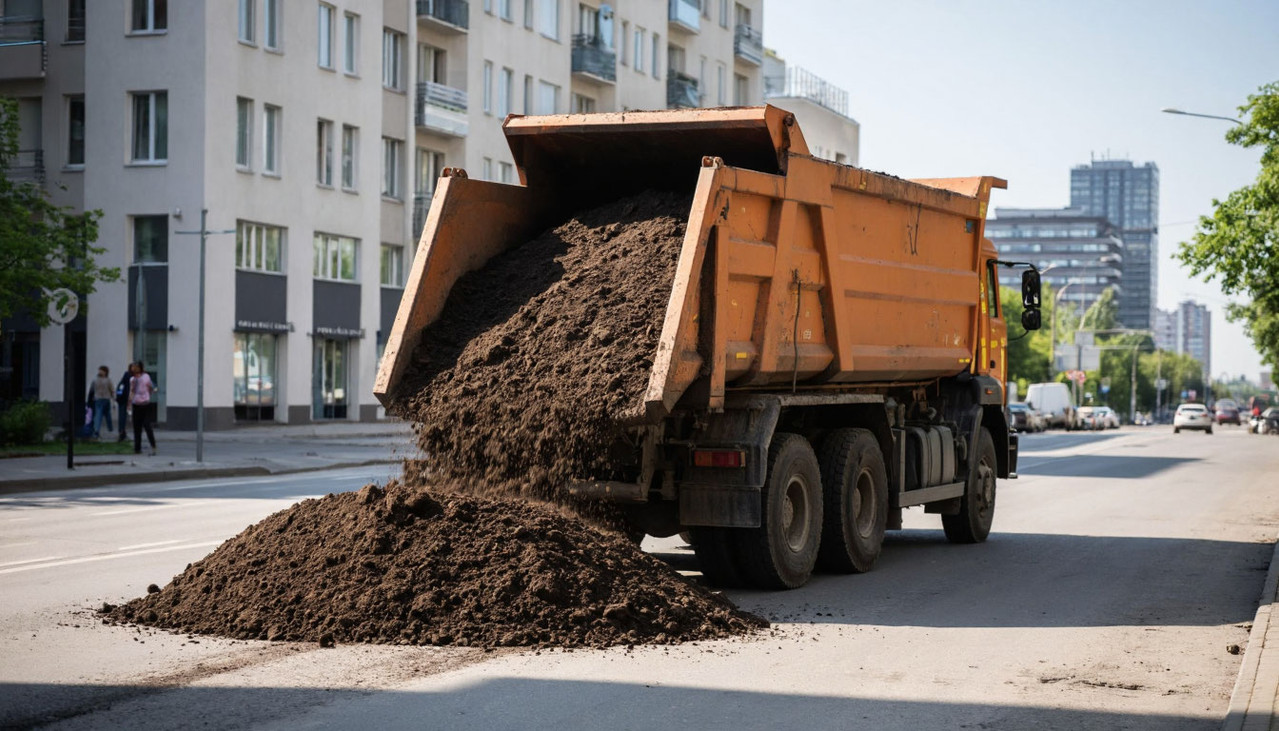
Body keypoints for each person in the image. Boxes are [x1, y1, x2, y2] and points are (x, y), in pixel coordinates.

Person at [128, 361, 157, 456]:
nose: (133, 368)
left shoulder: (145, 377)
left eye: (135, 367)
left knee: (147, 425)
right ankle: (137, 448)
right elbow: (132, 391)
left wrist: (149, 393)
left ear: (140, 368)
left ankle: (153, 446)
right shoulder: (132, 379)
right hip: (136, 404)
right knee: (137, 427)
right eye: (132, 367)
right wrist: (129, 402)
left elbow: (151, 387)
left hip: (145, 404)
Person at [90, 365, 114, 439]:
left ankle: (109, 428)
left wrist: (113, 399)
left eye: (102, 370)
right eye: (99, 370)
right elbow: (92, 389)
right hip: (99, 399)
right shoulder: (95, 380)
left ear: (105, 372)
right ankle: (97, 430)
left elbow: (112, 390)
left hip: (105, 399)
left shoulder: (108, 380)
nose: (100, 372)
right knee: (99, 414)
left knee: (107, 414)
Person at [115, 364, 133, 442]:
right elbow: (122, 387)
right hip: (125, 399)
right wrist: (120, 396)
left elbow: (120, 387)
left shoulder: (127, 376)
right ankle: (121, 432)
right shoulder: (128, 376)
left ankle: (122, 432)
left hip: (124, 399)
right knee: (122, 416)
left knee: (122, 416)